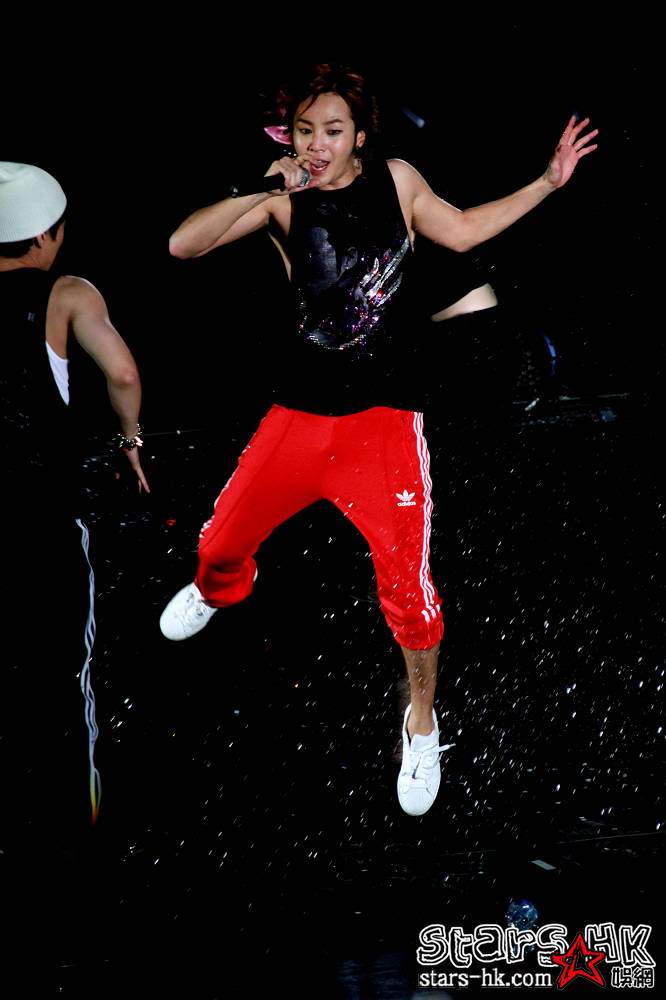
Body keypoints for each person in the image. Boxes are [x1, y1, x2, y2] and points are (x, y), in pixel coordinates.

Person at [159, 64, 597, 816]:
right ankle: (216, 591)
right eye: (305, 132)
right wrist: (261, 186)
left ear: (360, 136)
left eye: (333, 131)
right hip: (298, 419)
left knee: (410, 597)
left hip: (383, 425)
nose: (318, 145)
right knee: (218, 547)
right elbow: (181, 245)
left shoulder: (397, 179)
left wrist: (548, 184)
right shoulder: (282, 199)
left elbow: (462, 229)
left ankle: (421, 724)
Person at [0, 162, 149, 849]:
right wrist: (130, 439)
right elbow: (122, 371)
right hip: (44, 516)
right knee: (65, 676)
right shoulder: (66, 292)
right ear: (45, 236)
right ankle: (75, 840)